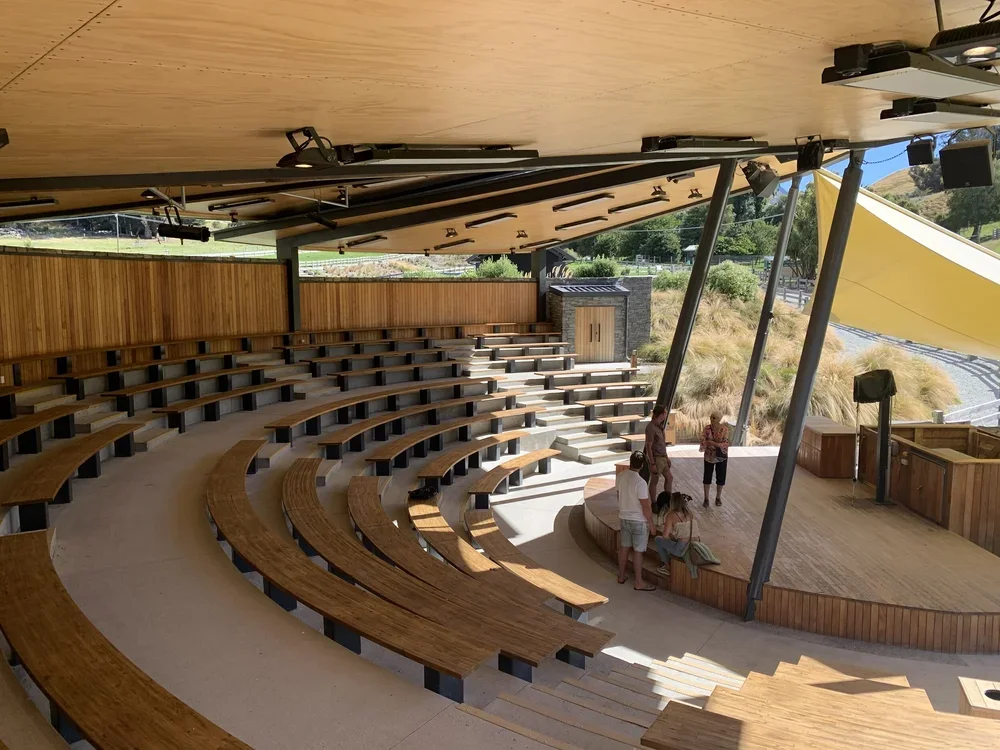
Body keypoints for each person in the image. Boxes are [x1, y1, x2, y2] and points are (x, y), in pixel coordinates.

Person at [616, 451, 656, 591]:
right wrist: (651, 525)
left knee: (624, 548)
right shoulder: (641, 483)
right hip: (638, 520)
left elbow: (618, 496)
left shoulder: (620, 476)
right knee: (638, 552)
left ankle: (621, 576)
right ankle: (639, 582)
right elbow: (645, 507)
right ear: (642, 465)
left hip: (623, 517)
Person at [653, 492, 700, 577]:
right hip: (695, 545)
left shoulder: (671, 515)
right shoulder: (690, 512)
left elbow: (665, 536)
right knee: (673, 542)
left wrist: (671, 534)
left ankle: (667, 567)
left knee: (658, 539)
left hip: (682, 549)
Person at [700, 411, 730, 508]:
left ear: (719, 419)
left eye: (714, 418)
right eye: (711, 417)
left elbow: (726, 443)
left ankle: (718, 497)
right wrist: (708, 443)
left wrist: (713, 443)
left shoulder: (724, 429)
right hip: (709, 456)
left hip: (721, 456)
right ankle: (706, 499)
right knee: (707, 477)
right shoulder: (707, 428)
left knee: (721, 477)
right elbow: (703, 439)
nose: (712, 419)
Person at [644, 404, 672, 503]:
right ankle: (654, 502)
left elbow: (662, 444)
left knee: (669, 478)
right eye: (665, 413)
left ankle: (667, 500)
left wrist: (667, 457)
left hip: (663, 457)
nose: (666, 415)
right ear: (660, 414)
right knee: (654, 480)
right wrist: (652, 463)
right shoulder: (651, 428)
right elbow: (648, 446)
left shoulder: (659, 427)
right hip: (656, 458)